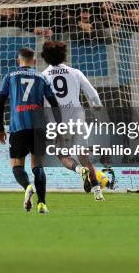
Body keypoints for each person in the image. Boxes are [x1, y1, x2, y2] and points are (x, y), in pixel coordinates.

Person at [0, 47, 60, 214]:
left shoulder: (10, 76)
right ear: (35, 61)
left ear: (19, 60)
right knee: (37, 165)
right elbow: (54, 104)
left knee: (17, 165)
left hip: (18, 127)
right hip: (39, 128)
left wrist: (1, 129)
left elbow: (0, 103)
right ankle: (42, 204)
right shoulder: (42, 77)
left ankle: (27, 186)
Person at [40, 41, 105, 201]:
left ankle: (78, 171)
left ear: (45, 57)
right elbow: (93, 93)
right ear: (63, 55)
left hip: (58, 124)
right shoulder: (75, 72)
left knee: (62, 155)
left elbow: (40, 103)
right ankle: (98, 192)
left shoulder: (43, 76)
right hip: (77, 120)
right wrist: (97, 105)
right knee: (84, 157)